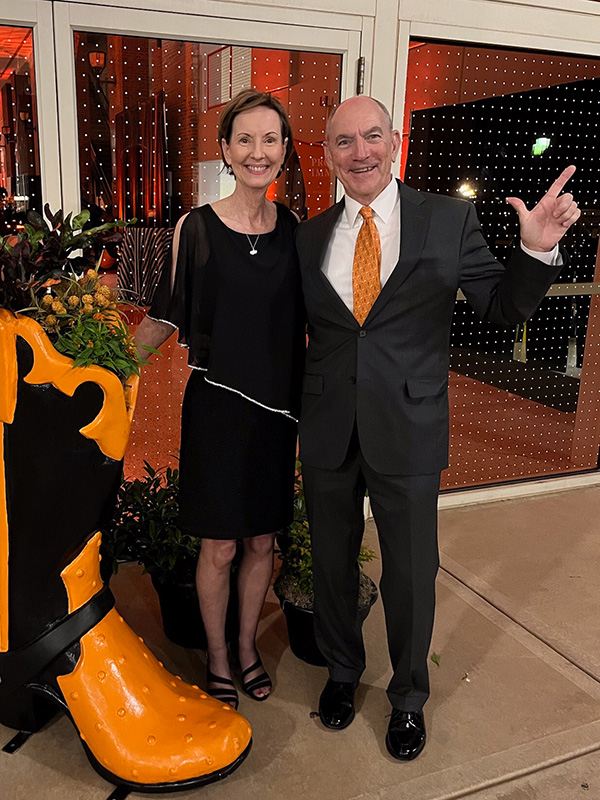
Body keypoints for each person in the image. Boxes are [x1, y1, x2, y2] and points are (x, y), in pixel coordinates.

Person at [295, 95, 580, 760]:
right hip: (329, 425)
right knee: (331, 564)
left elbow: (502, 309)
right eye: (344, 141)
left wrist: (534, 252)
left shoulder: (447, 220)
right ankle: (342, 672)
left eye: (372, 136)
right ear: (329, 154)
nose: (360, 151)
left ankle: (408, 698)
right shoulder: (310, 236)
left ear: (394, 141)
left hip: (409, 426)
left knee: (411, 571)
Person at [135, 88, 304, 709]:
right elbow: (162, 318)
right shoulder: (196, 228)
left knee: (262, 541)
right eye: (245, 140)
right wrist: (101, 366)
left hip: (275, 415)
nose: (258, 152)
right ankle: (217, 655)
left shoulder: (294, 232)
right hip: (216, 411)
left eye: (270, 139)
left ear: (284, 151)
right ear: (226, 151)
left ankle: (247, 646)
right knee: (220, 543)